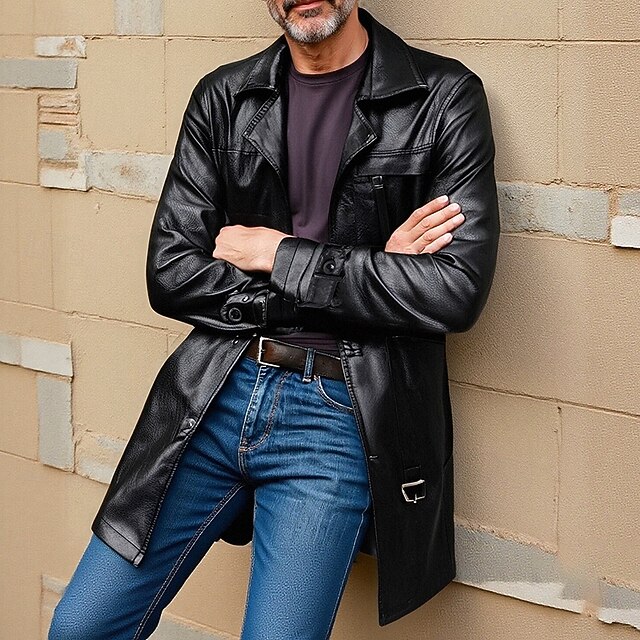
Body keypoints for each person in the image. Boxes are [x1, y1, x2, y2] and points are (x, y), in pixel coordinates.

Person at [49, 1, 499, 638]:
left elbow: (454, 291)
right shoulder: (224, 98)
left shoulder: (441, 97)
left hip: (335, 414)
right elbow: (171, 273)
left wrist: (279, 253)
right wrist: (364, 267)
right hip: (214, 391)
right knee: (80, 628)